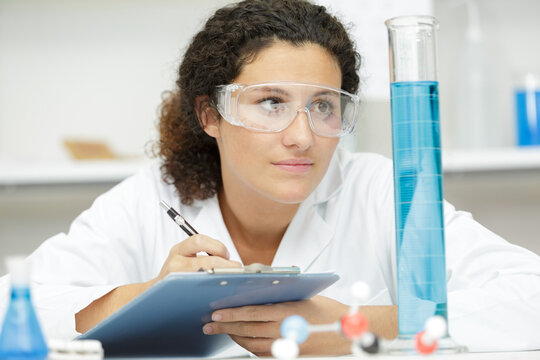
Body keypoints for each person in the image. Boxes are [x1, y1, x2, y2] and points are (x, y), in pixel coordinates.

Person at [1, 0, 540, 356]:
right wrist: (148, 301)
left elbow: (529, 299)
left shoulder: (378, 189)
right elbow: (12, 310)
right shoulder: (152, 198)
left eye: (324, 106)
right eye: (271, 103)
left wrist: (350, 325)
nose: (302, 136)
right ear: (210, 115)